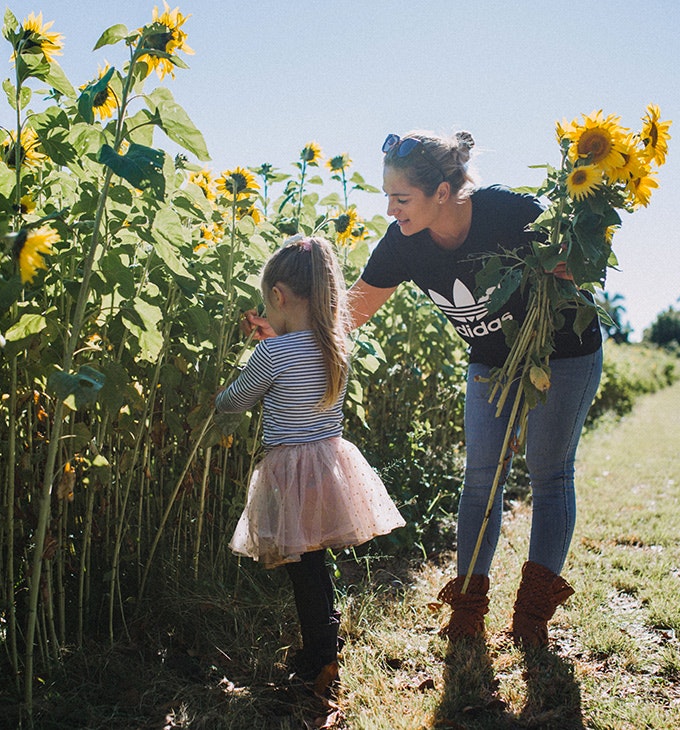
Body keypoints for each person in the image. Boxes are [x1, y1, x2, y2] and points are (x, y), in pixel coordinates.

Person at [305, 130, 602, 648]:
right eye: (388, 198)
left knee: (548, 472)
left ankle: (531, 618)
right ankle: (467, 610)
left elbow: (583, 261)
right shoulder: (403, 242)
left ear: (442, 192)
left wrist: (571, 264)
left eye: (401, 198)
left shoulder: (510, 213)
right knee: (481, 477)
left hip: (565, 351)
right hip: (491, 361)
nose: (391, 210)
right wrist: (290, 332)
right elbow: (354, 309)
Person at [217, 235, 405, 697]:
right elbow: (298, 360)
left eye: (268, 302)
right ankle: (328, 638)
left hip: (289, 471)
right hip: (328, 465)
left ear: (278, 296)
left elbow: (237, 400)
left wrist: (219, 397)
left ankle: (318, 656)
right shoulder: (334, 344)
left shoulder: (272, 354)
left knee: (302, 568)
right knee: (315, 561)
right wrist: (277, 339)